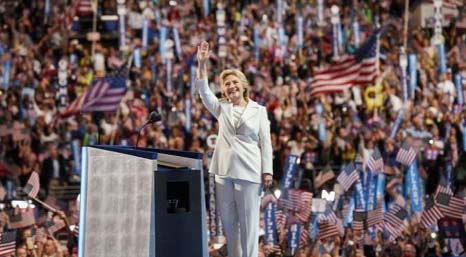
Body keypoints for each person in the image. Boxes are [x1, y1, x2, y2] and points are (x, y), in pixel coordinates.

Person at [196, 41, 273, 257]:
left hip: (249, 172)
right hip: (223, 171)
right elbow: (203, 91)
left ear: (243, 84)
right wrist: (202, 63)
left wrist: (268, 170)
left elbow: (266, 142)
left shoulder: (259, 111)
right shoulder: (222, 107)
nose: (231, 86)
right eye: (226, 84)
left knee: (248, 226)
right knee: (229, 224)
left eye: (234, 82)